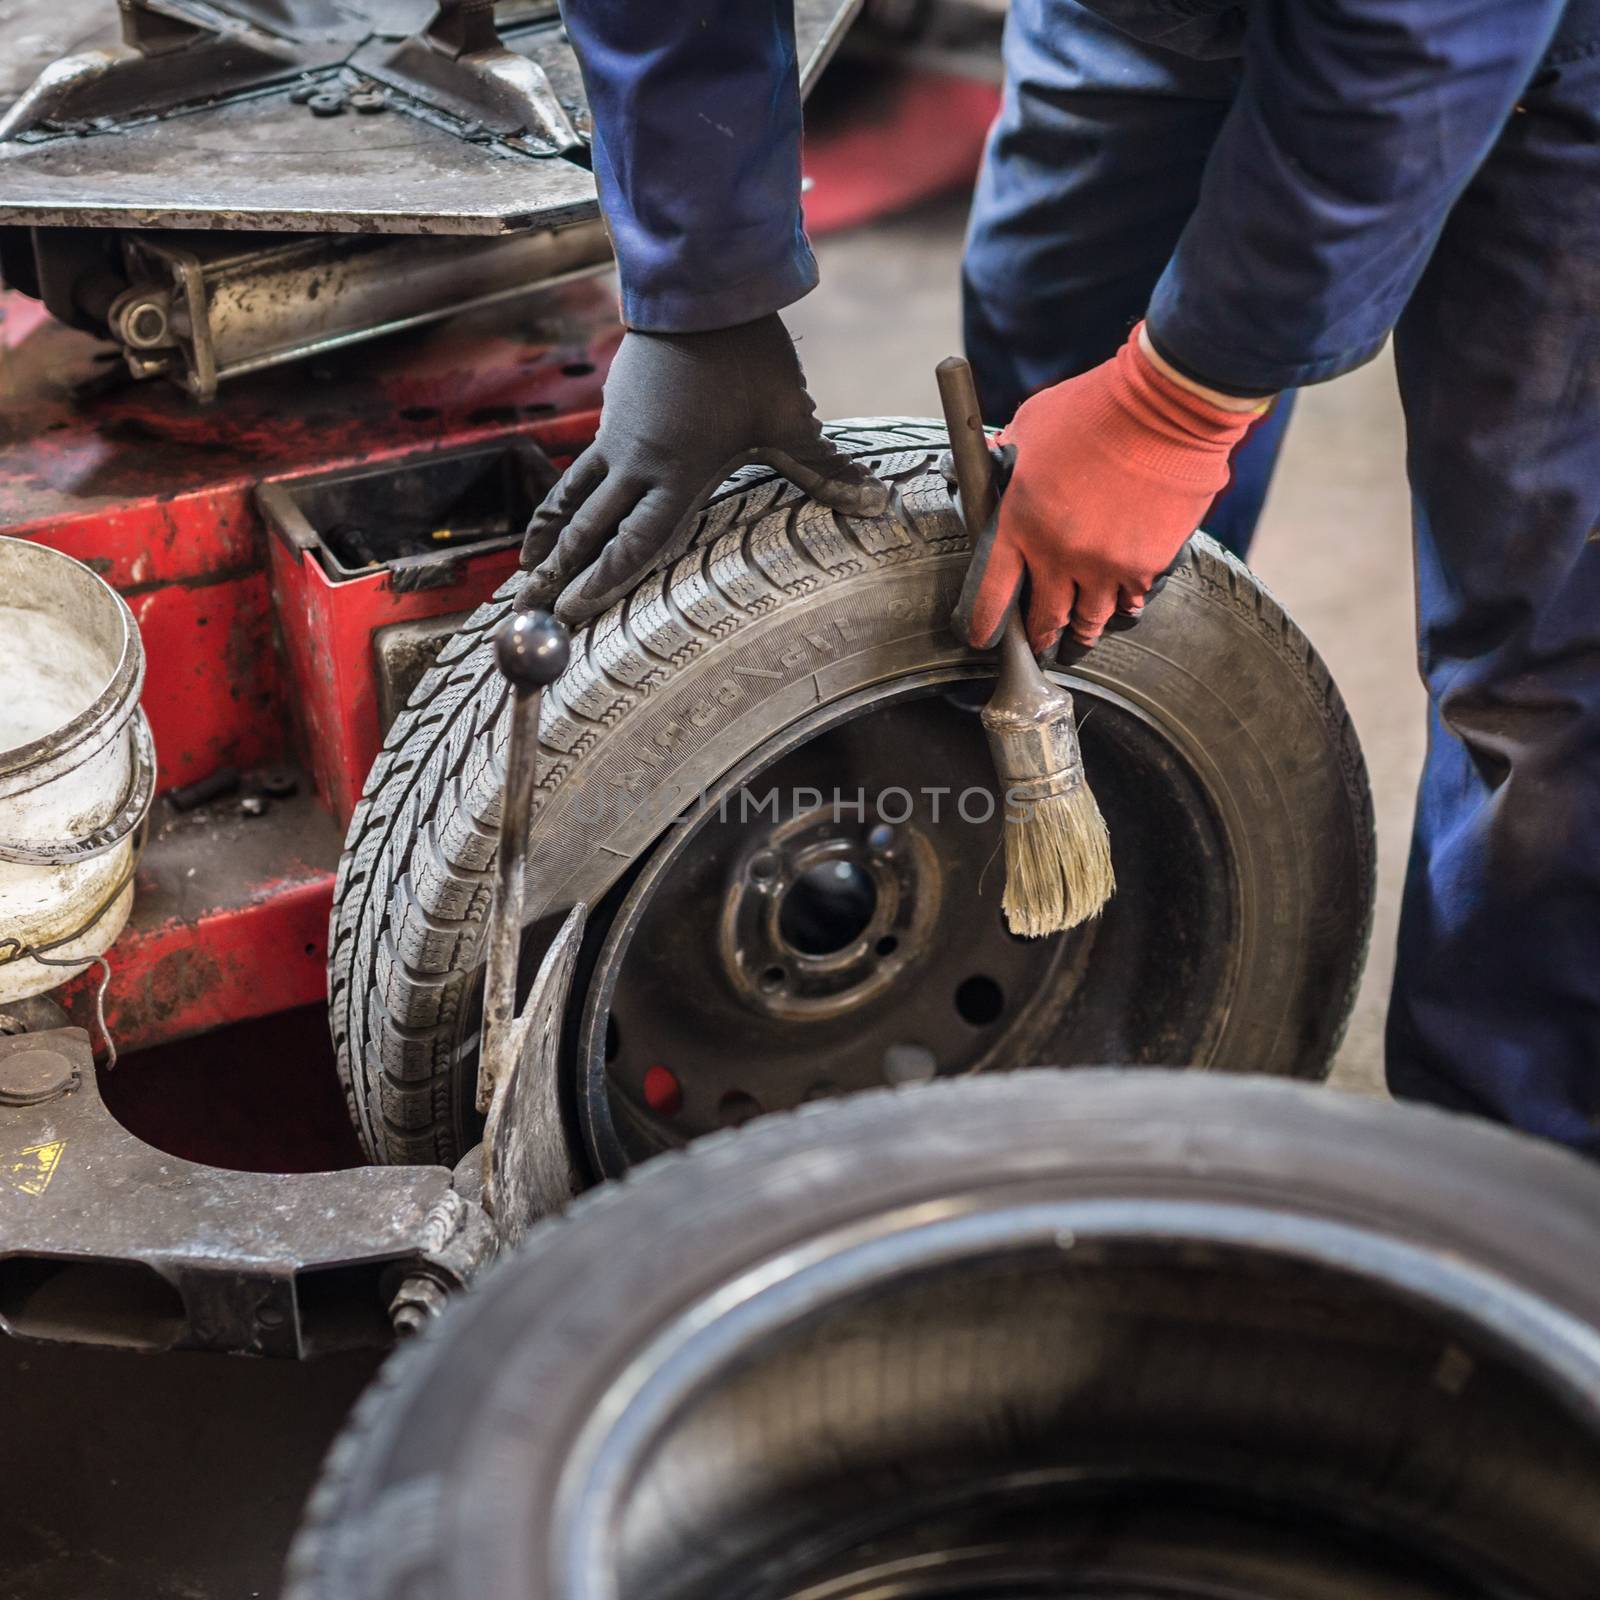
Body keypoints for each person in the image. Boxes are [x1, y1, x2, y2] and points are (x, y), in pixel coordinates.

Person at [517, 0, 1600, 1154]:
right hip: (1140, 23)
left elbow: (1426, 27)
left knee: (1548, 663)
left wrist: (1177, 403)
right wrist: (699, 288)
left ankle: (1524, 1194)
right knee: (1036, 538)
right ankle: (1100, 1006)